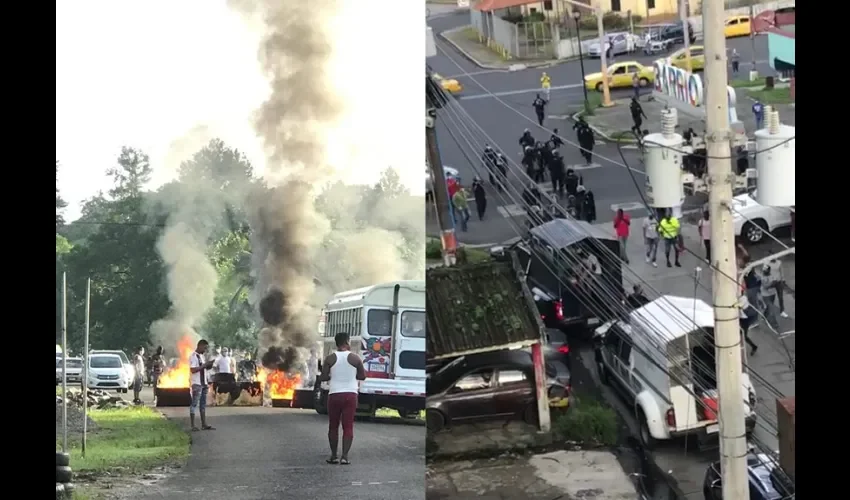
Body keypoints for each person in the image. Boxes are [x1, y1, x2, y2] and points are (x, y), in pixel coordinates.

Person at [319, 332, 367, 465]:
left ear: (336, 343)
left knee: (333, 426)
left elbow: (323, 377)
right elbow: (362, 376)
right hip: (351, 395)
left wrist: (331, 376)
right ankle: (345, 457)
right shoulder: (355, 359)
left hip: (334, 394)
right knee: (348, 426)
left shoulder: (330, 358)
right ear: (347, 342)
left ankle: (333, 455)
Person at [188, 339, 216, 431]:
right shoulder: (193, 356)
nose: (205, 350)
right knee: (194, 404)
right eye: (205, 347)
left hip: (204, 383)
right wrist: (205, 365)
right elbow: (193, 370)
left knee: (203, 405)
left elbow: (203, 369)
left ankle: (204, 424)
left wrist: (209, 365)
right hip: (197, 383)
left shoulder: (201, 356)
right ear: (200, 346)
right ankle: (192, 425)